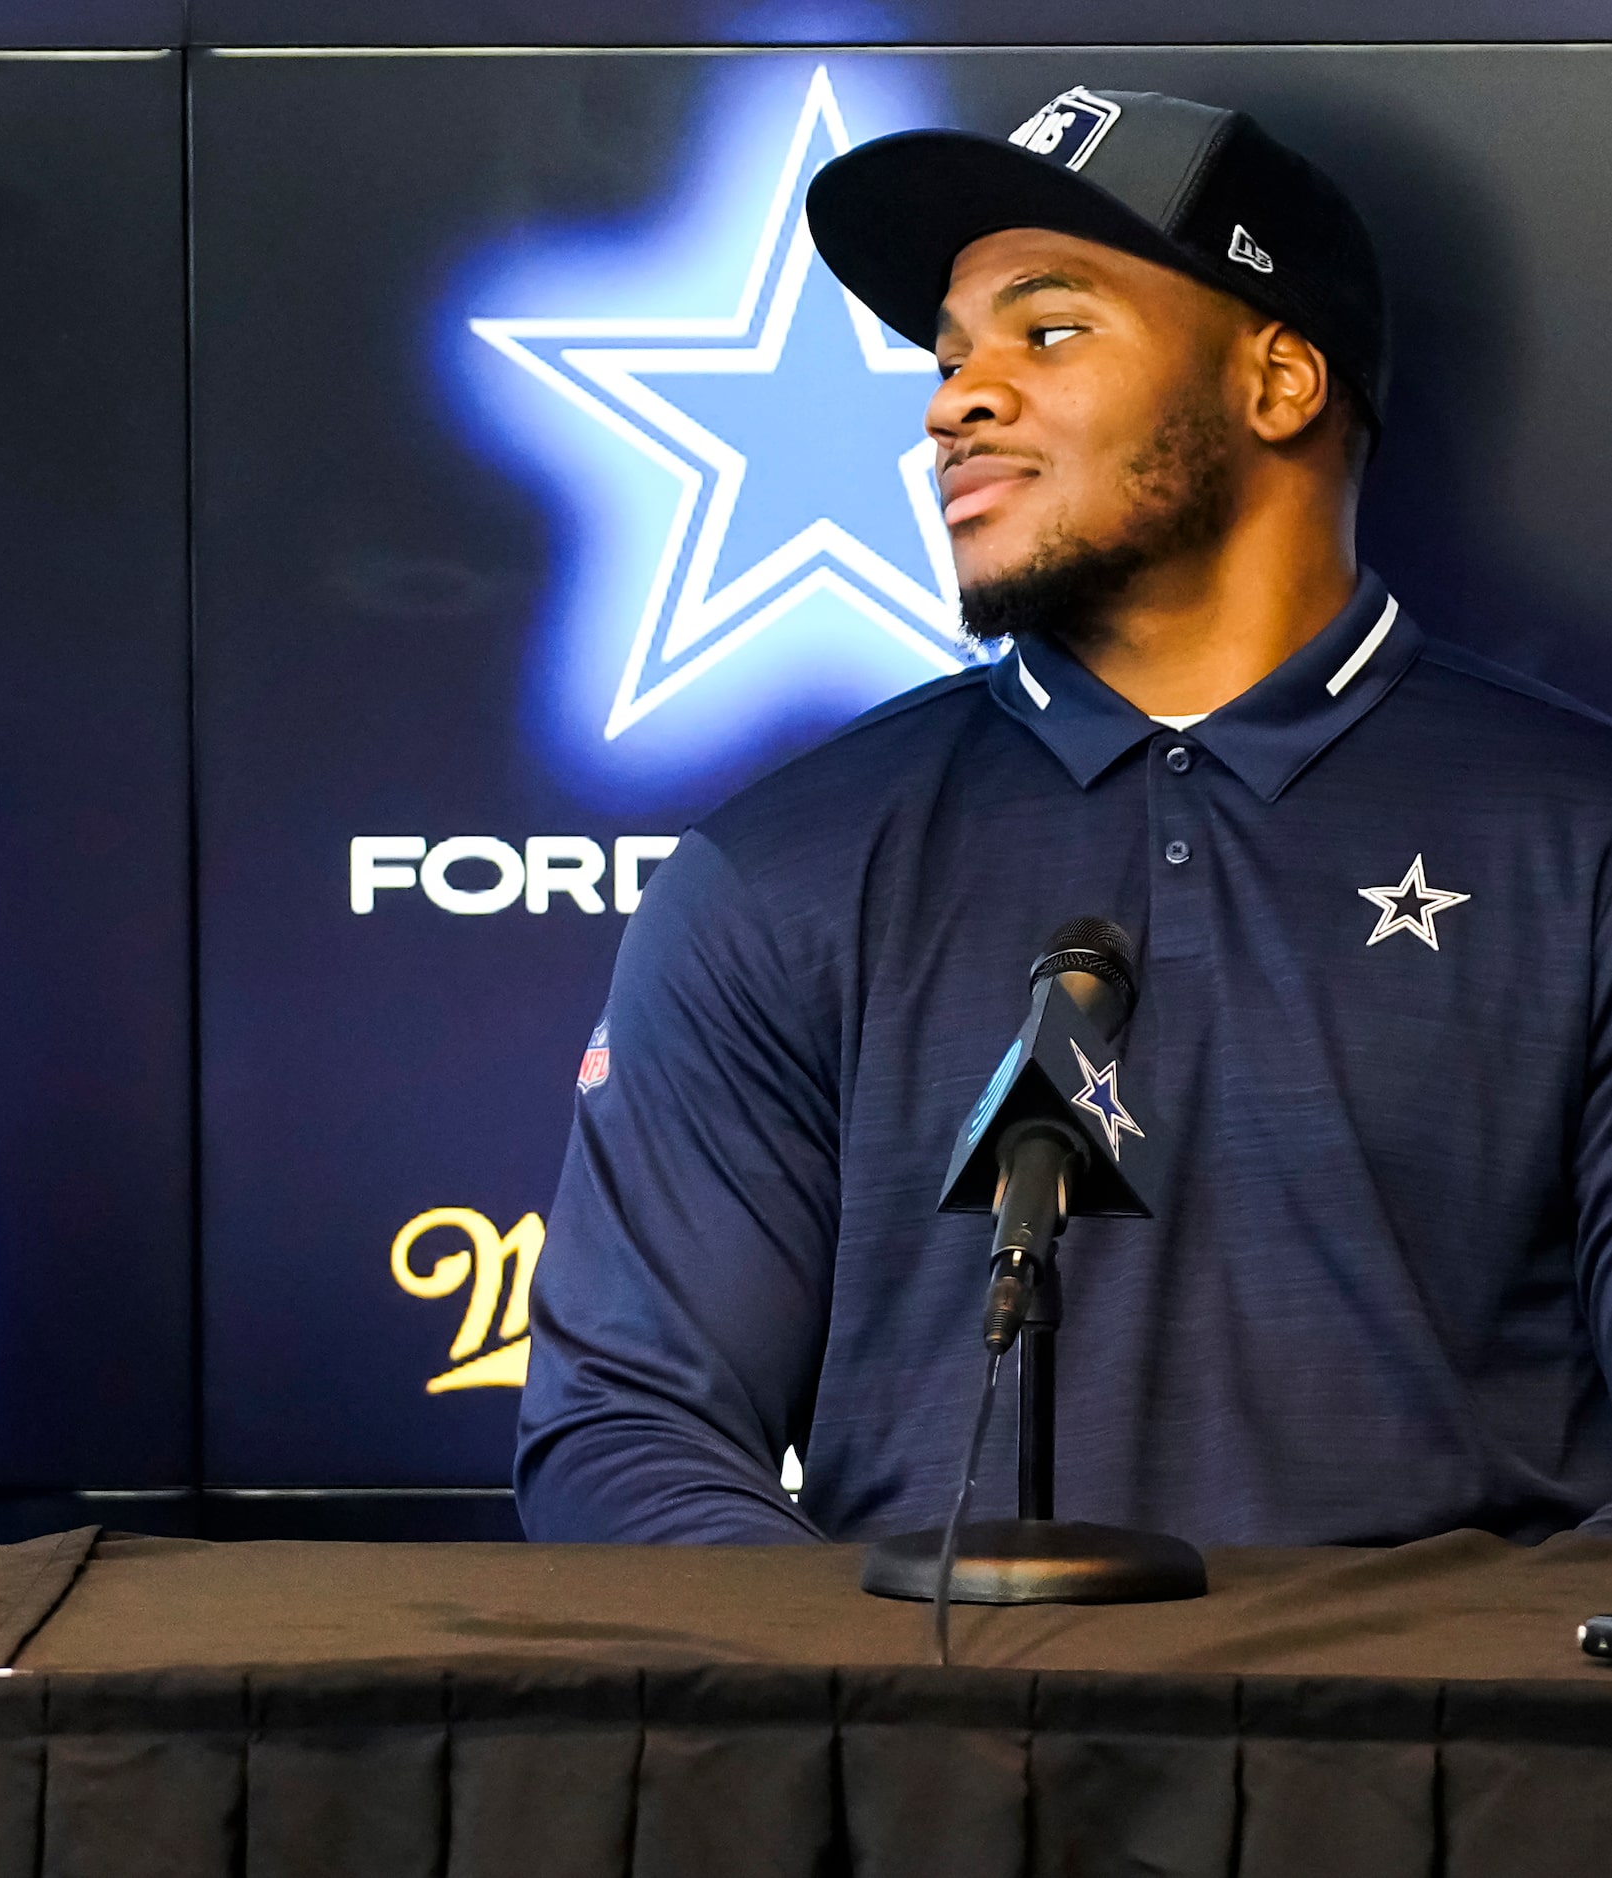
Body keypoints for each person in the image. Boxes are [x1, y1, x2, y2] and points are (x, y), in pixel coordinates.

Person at [516, 86, 1612, 1547]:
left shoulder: (1578, 832)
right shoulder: (780, 864)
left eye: (1048, 330)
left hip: (1442, 1761)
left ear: (1277, 382)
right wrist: (890, 1724)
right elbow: (627, 1430)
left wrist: (1435, 1713)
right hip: (936, 1757)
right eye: (947, 353)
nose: (951, 399)